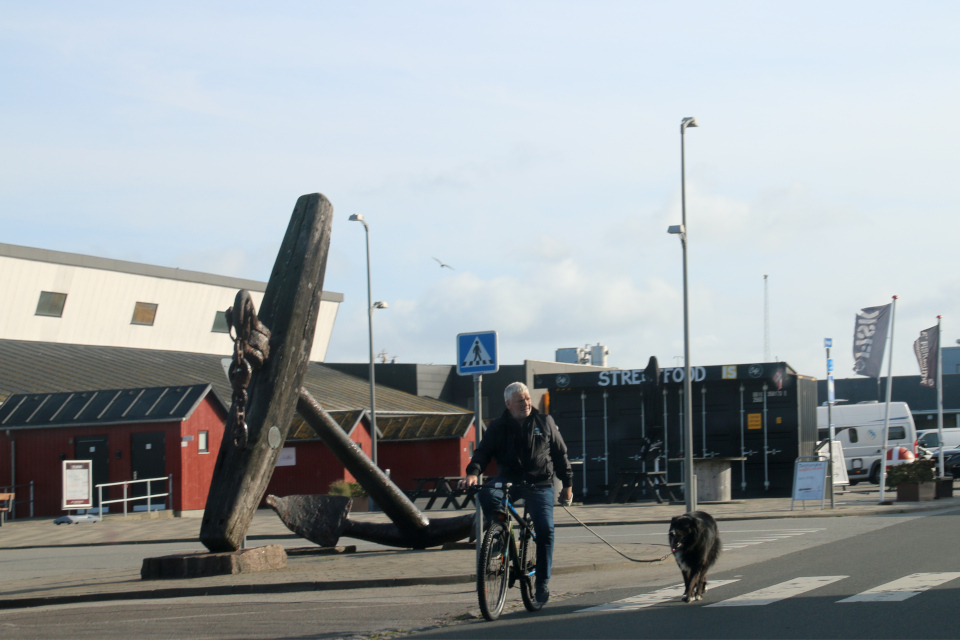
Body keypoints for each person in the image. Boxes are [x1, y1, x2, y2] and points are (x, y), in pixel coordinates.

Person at [461, 381, 574, 605]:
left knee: (544, 530)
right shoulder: (497, 426)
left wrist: (568, 487)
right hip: (510, 479)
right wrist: (473, 473)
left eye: (528, 399)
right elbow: (482, 452)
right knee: (487, 492)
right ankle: (500, 531)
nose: (527, 403)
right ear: (508, 403)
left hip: (539, 482)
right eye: (521, 400)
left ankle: (542, 581)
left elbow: (561, 456)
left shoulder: (545, 421)